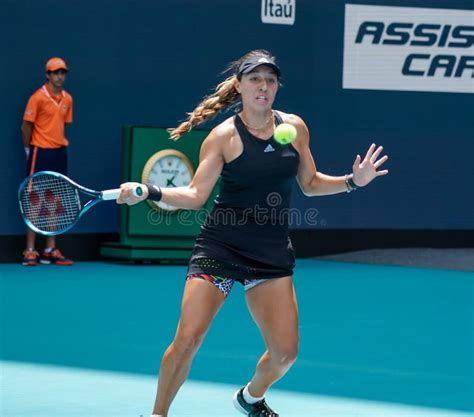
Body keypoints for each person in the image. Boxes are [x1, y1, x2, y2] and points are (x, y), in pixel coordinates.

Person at [118, 49, 388, 417]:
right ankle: (157, 414)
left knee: (285, 353)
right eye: (255, 79)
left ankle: (250, 398)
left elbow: (309, 183)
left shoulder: (295, 128)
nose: (263, 86)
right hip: (220, 248)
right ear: (239, 86)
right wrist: (150, 191)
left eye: (270, 80)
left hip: (270, 253)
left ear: (277, 86)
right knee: (188, 339)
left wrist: (352, 182)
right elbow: (197, 195)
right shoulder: (223, 136)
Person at [21, 57, 74, 266]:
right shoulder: (37, 98)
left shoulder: (68, 99)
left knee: (55, 200)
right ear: (48, 75)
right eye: (56, 73)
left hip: (59, 153)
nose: (60, 76)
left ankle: (50, 249)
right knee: (34, 199)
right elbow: (26, 127)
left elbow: (62, 125)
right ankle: (30, 250)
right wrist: (29, 149)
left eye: (62, 73)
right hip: (39, 152)